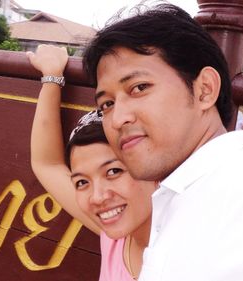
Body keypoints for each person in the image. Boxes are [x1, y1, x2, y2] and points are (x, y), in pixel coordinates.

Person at [82, 3, 243, 281]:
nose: (116, 119)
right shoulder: (180, 195)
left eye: (139, 88)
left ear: (204, 90)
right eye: (107, 104)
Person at [28, 44, 157, 280]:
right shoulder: (118, 236)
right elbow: (47, 163)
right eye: (81, 182)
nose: (98, 197)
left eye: (114, 171)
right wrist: (51, 77)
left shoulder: (193, 255)